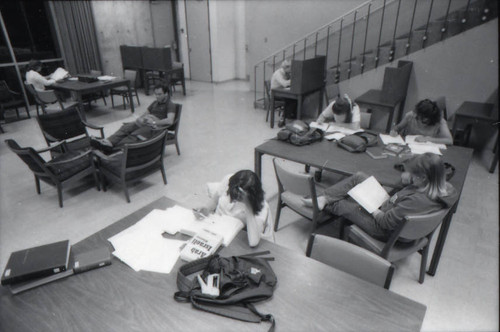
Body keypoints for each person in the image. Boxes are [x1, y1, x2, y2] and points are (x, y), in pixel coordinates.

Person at [302, 153, 457, 241]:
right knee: (360, 177)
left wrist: (371, 207)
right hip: (391, 208)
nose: (409, 175)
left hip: (384, 229)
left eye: (412, 174)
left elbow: (385, 222)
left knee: (343, 203)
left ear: (422, 178)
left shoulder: (417, 200)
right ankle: (324, 199)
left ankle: (322, 200)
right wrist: (406, 182)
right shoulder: (445, 188)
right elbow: (401, 197)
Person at [195, 170, 275, 247]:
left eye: (239, 198)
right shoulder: (229, 180)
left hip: (238, 237)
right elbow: (215, 200)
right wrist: (207, 209)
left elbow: (253, 242)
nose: (232, 200)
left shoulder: (262, 207)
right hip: (217, 227)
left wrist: (248, 205)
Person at [91, 83, 176, 153]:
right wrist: (140, 118)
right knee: (125, 127)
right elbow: (146, 112)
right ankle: (108, 142)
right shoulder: (155, 102)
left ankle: (116, 150)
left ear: (166, 93)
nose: (157, 96)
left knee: (134, 135)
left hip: (156, 128)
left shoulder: (170, 104)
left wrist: (154, 122)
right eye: (156, 94)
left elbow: (170, 121)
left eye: (159, 94)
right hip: (147, 122)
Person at [270, 60, 296, 128]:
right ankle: (284, 118)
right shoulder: (278, 73)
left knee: (294, 99)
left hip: (282, 92)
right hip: (275, 94)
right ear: (286, 68)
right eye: (290, 69)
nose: (291, 70)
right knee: (291, 100)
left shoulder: (285, 73)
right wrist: (294, 79)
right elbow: (284, 84)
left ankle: (288, 116)